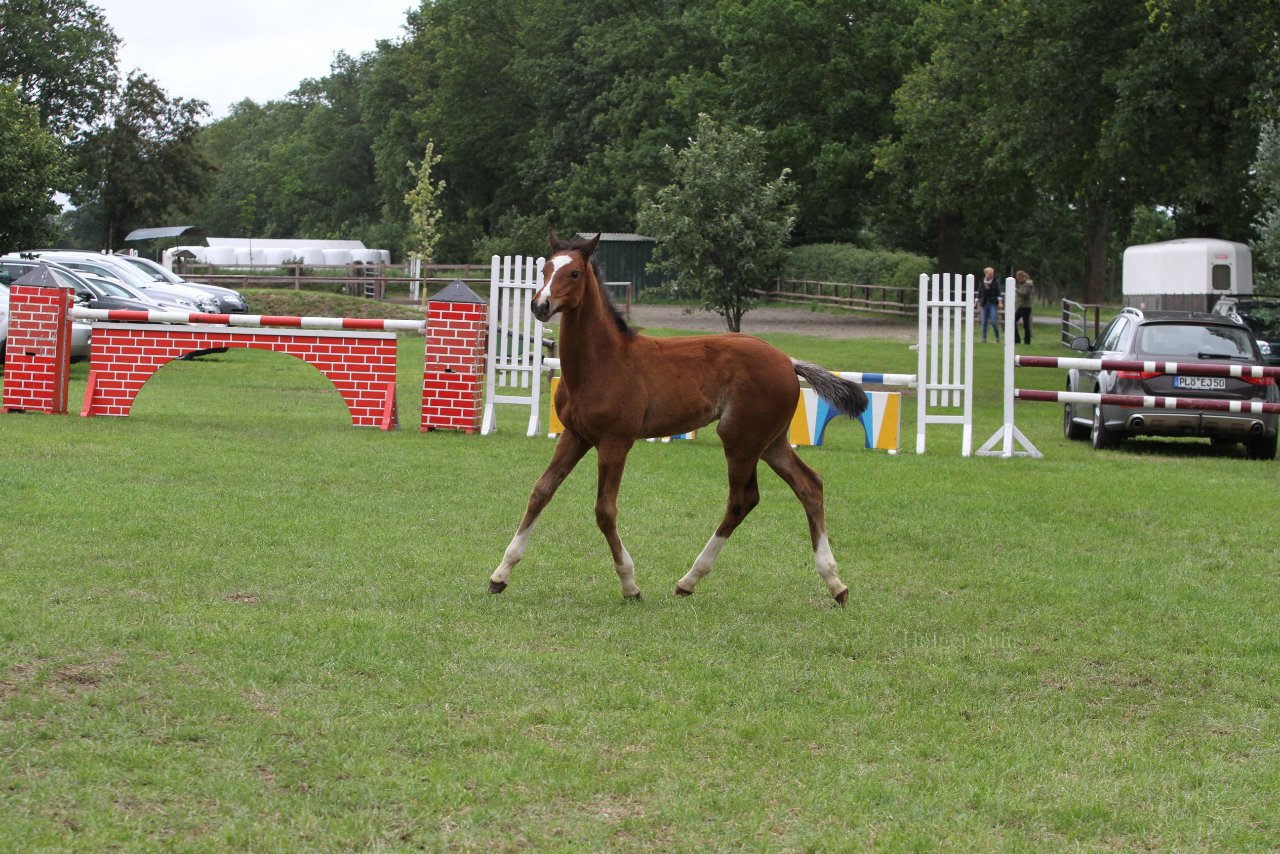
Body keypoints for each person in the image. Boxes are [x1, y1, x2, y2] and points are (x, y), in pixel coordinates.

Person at [975, 266, 1002, 343]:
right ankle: (984, 338)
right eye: (990, 274)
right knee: (984, 322)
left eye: (992, 274)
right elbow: (979, 293)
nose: (992, 275)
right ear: (986, 274)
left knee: (993, 321)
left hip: (993, 303)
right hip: (984, 304)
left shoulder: (995, 282)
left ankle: (997, 337)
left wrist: (1000, 303)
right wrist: (975, 302)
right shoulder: (982, 282)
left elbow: (999, 293)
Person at [1013, 270, 1035, 345]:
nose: (1018, 280)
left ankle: (1027, 341)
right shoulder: (1022, 284)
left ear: (1022, 277)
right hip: (1020, 306)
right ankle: (1017, 339)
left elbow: (1025, 294)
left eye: (1018, 278)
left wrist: (1016, 290)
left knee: (1026, 325)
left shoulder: (1028, 284)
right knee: (1013, 321)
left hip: (1026, 307)